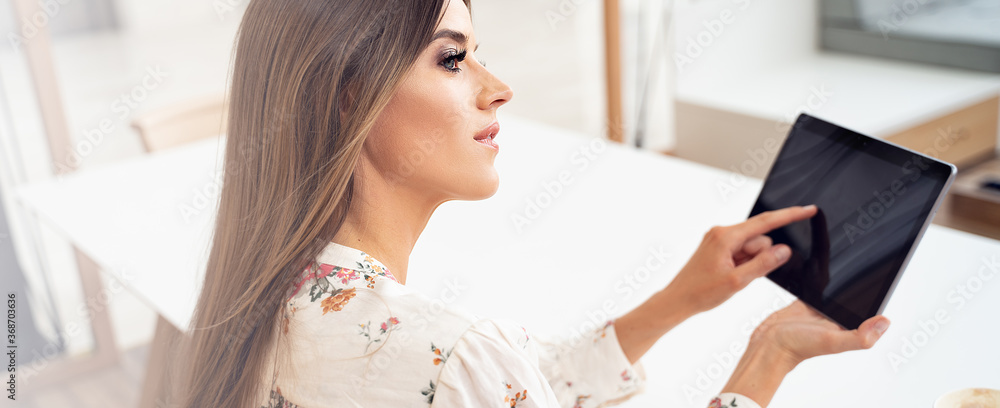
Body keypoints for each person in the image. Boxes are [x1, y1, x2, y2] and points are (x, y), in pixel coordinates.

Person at [173, 0, 891, 407]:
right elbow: (481, 378)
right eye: (453, 59)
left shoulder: (261, 303)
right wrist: (767, 359)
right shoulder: (459, 356)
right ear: (348, 98)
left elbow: (513, 386)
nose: (498, 88)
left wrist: (679, 300)